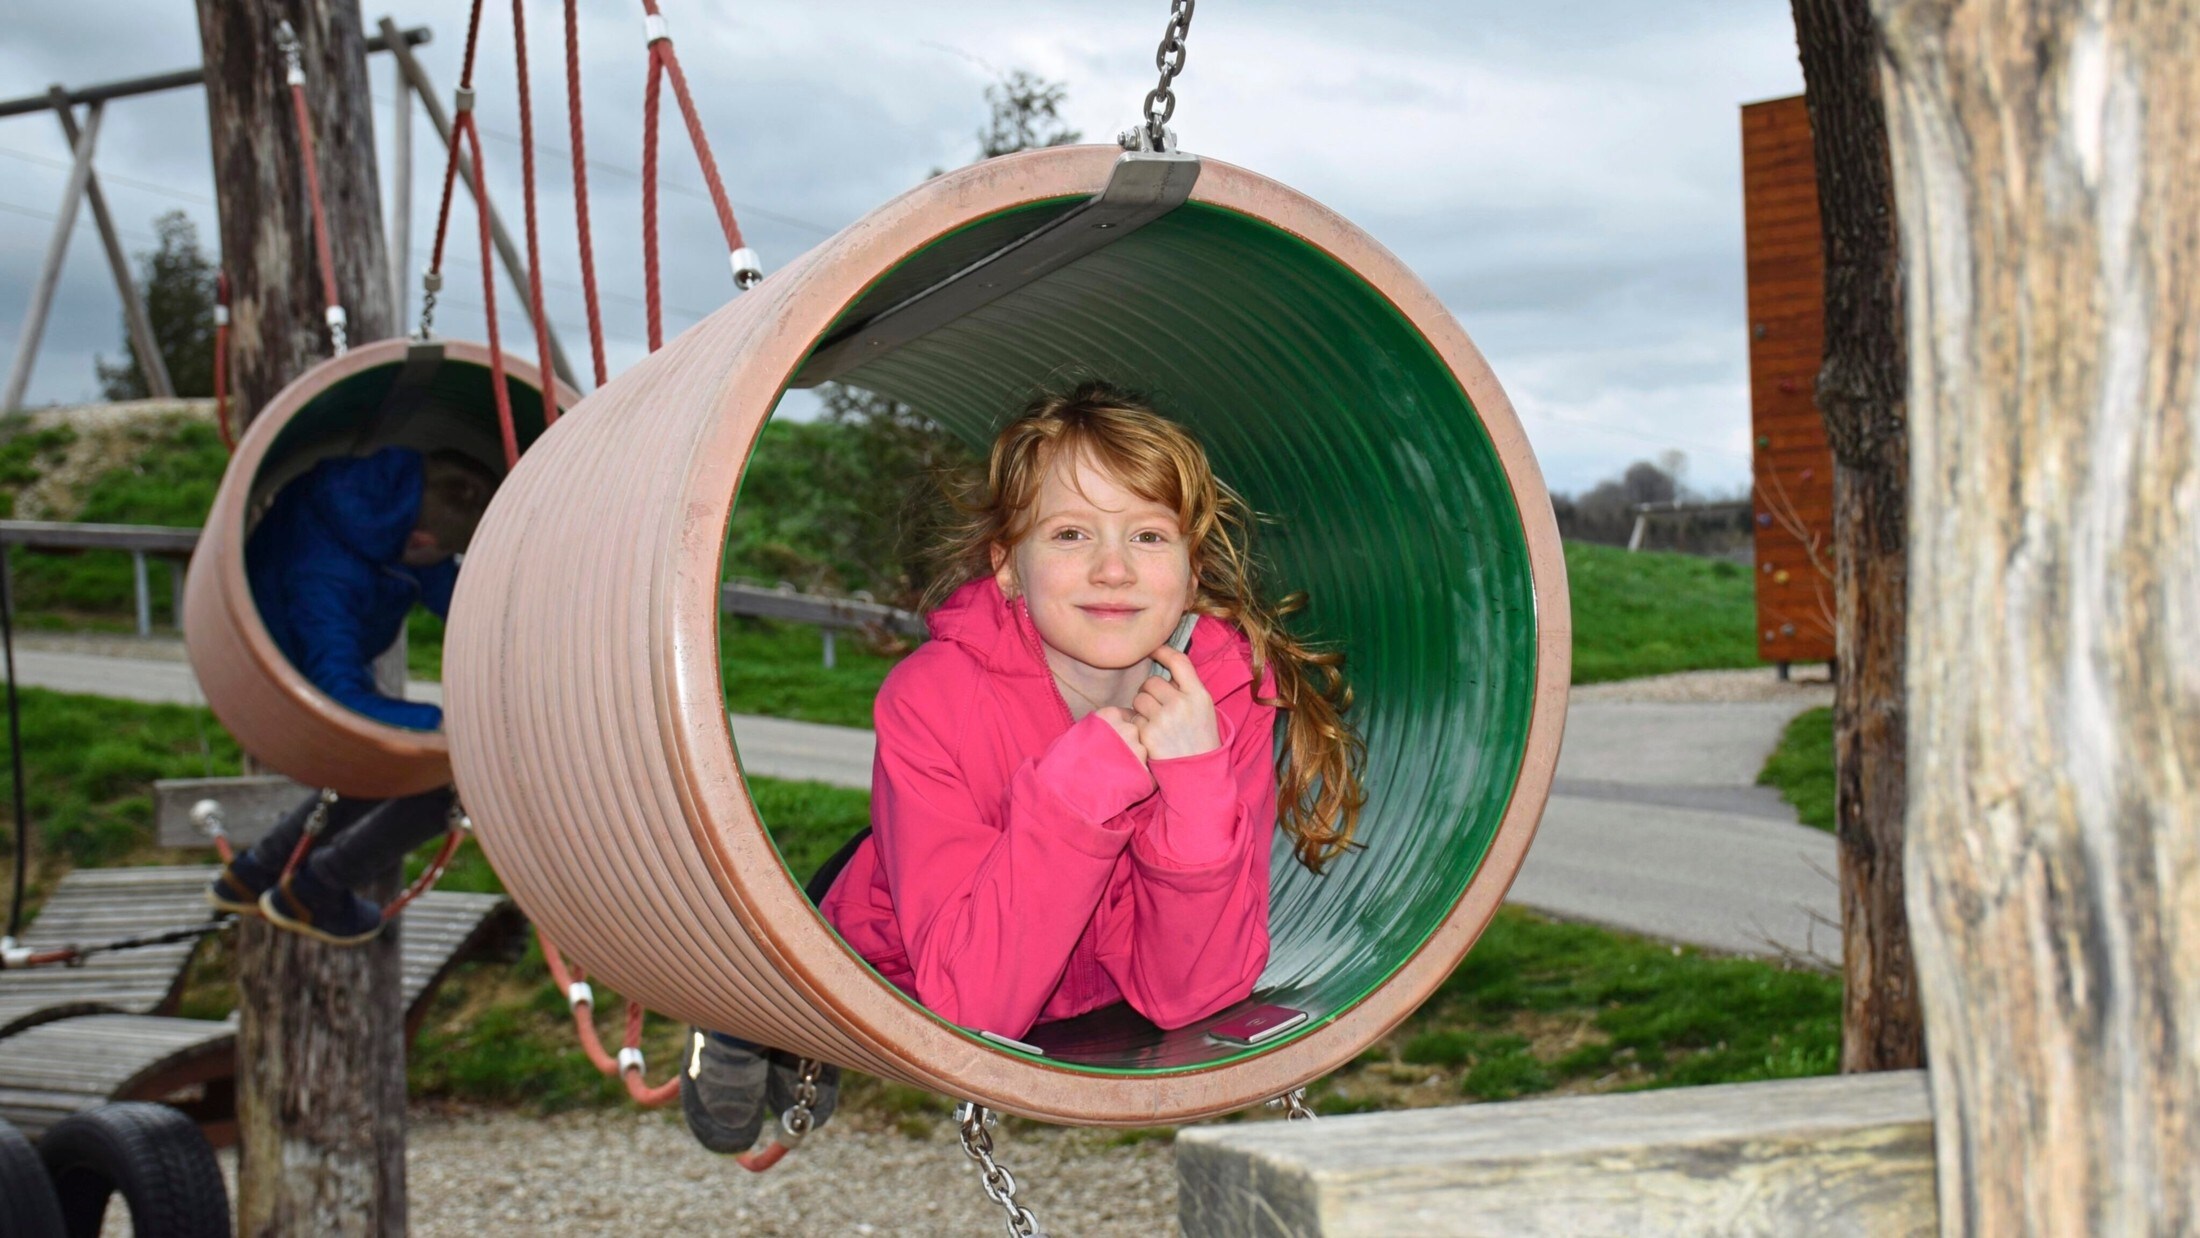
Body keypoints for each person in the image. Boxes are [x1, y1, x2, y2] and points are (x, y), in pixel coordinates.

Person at [681, 380, 1364, 1152]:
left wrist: (1196, 782)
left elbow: (1194, 993)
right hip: (894, 964)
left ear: (1193, 570)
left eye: (1148, 535)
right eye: (1071, 534)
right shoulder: (932, 695)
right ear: (1009, 565)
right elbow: (972, 1008)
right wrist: (1087, 787)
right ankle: (748, 1014)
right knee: (790, 984)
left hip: (1089, 985)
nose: (1114, 570)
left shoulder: (1225, 692)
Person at [205, 445, 499, 945]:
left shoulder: (390, 506)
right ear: (421, 538)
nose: (441, 562)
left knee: (392, 757)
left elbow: (463, 595)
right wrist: (436, 723)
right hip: (281, 678)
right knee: (445, 769)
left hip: (317, 658)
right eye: (441, 552)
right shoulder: (324, 574)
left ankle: (256, 872)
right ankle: (316, 889)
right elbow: (336, 692)